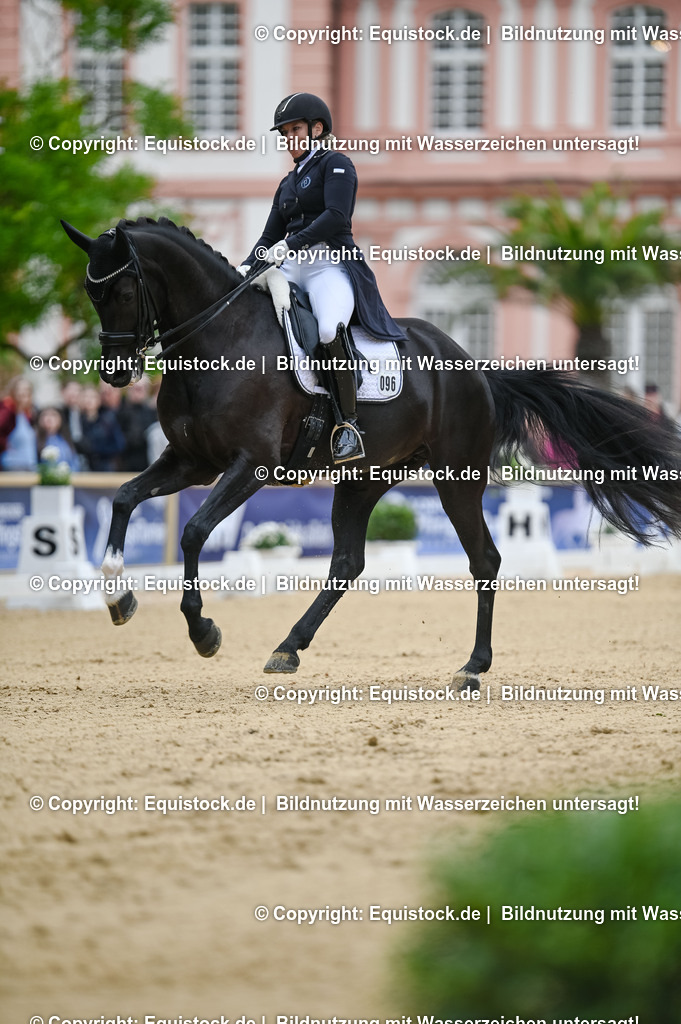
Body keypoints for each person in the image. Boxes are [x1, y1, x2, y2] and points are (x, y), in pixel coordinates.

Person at [238, 92, 405, 463]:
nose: (288, 138)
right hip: (291, 267)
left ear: (316, 129)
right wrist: (246, 267)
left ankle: (348, 426)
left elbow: (335, 217)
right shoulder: (288, 182)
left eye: (294, 129)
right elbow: (268, 237)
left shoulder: (338, 164)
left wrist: (290, 243)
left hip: (329, 265)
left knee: (329, 329)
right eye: (284, 133)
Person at [76, 385, 126, 471]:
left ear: (99, 400)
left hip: (104, 467)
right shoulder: (76, 421)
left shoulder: (107, 420)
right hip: (82, 467)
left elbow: (119, 445)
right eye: (85, 396)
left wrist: (94, 449)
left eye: (92, 397)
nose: (88, 400)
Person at [0, 377, 38, 470]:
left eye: (26, 390)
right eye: (19, 389)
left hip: (29, 465)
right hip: (12, 465)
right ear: (13, 391)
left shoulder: (27, 414)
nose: (22, 393)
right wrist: (4, 446)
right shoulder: (7, 411)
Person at [35, 406, 81, 471]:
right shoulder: (34, 440)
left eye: (53, 415)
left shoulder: (65, 439)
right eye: (45, 415)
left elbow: (74, 462)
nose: (49, 418)